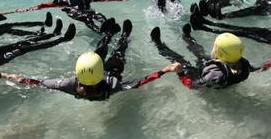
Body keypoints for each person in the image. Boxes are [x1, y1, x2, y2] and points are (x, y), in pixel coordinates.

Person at [12, 19, 182, 101]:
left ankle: (108, 36)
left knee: (101, 52)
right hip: (112, 71)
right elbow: (140, 82)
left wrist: (14, 78)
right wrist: (165, 70)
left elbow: (40, 82)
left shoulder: (70, 85)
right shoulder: (112, 86)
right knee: (118, 53)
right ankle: (123, 36)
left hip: (98, 72)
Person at [150, 24, 258, 89]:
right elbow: (256, 69)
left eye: (215, 46)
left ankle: (159, 45)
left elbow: (192, 85)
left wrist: (180, 73)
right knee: (200, 53)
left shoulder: (214, 74)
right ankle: (187, 37)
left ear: (220, 54)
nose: (213, 47)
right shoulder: (242, 63)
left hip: (199, 76)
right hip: (217, 69)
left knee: (180, 61)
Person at [18, 0, 122, 33]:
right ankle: (99, 31)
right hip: (74, 13)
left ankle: (107, 25)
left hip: (86, 11)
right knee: (87, 19)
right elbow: (45, 5)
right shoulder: (64, 0)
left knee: (97, 14)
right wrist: (27, 10)